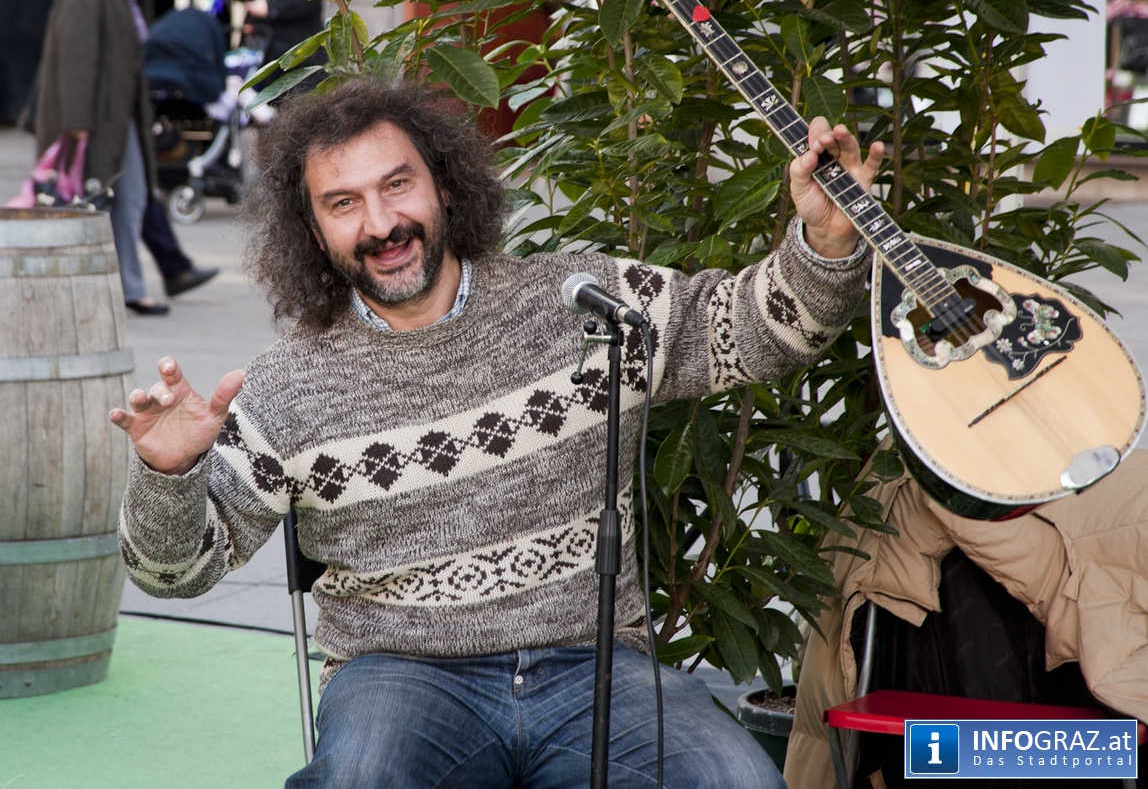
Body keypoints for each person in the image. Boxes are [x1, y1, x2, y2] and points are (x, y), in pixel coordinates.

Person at [112, 79, 883, 788]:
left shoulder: (583, 303)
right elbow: (175, 574)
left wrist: (827, 242)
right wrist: (169, 473)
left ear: (444, 184)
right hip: (401, 676)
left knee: (735, 780)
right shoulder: (284, 386)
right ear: (313, 232)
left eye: (397, 184)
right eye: (343, 204)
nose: (381, 225)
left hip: (593, 666)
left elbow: (754, 330)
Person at [35, 0, 170, 314]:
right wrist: (77, 124)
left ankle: (126, 287)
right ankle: (117, 288)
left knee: (127, 200)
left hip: (114, 115)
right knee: (99, 204)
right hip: (94, 119)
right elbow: (77, 58)